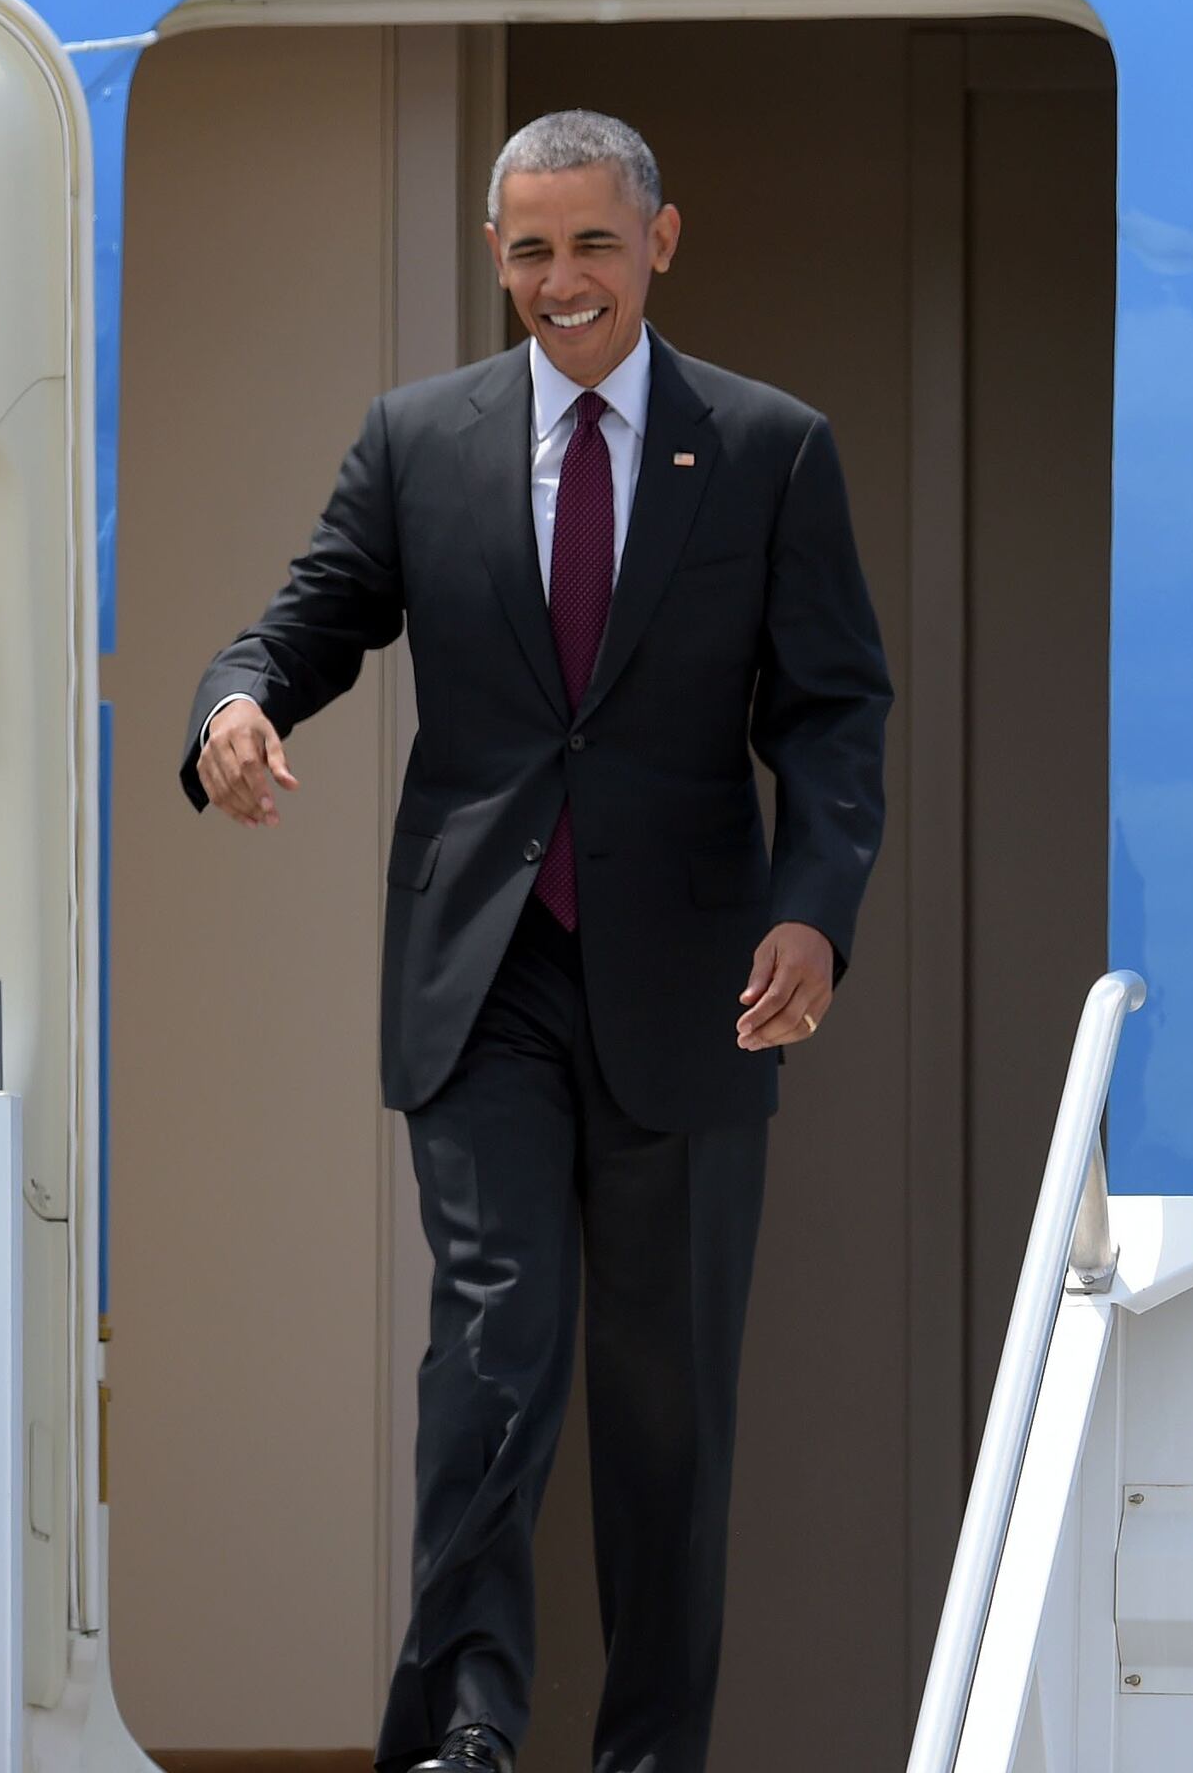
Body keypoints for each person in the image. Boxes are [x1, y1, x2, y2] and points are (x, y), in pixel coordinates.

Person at [181, 110, 894, 1773]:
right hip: (482, 972)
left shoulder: (770, 448)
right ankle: (469, 1729)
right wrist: (235, 703)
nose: (560, 281)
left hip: (698, 991)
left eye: (590, 245)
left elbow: (834, 713)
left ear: (660, 242)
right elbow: (310, 617)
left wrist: (815, 911)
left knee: (666, 1407)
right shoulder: (418, 439)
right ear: (494, 255)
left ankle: (649, 1753)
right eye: (528, 250)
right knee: (495, 1347)